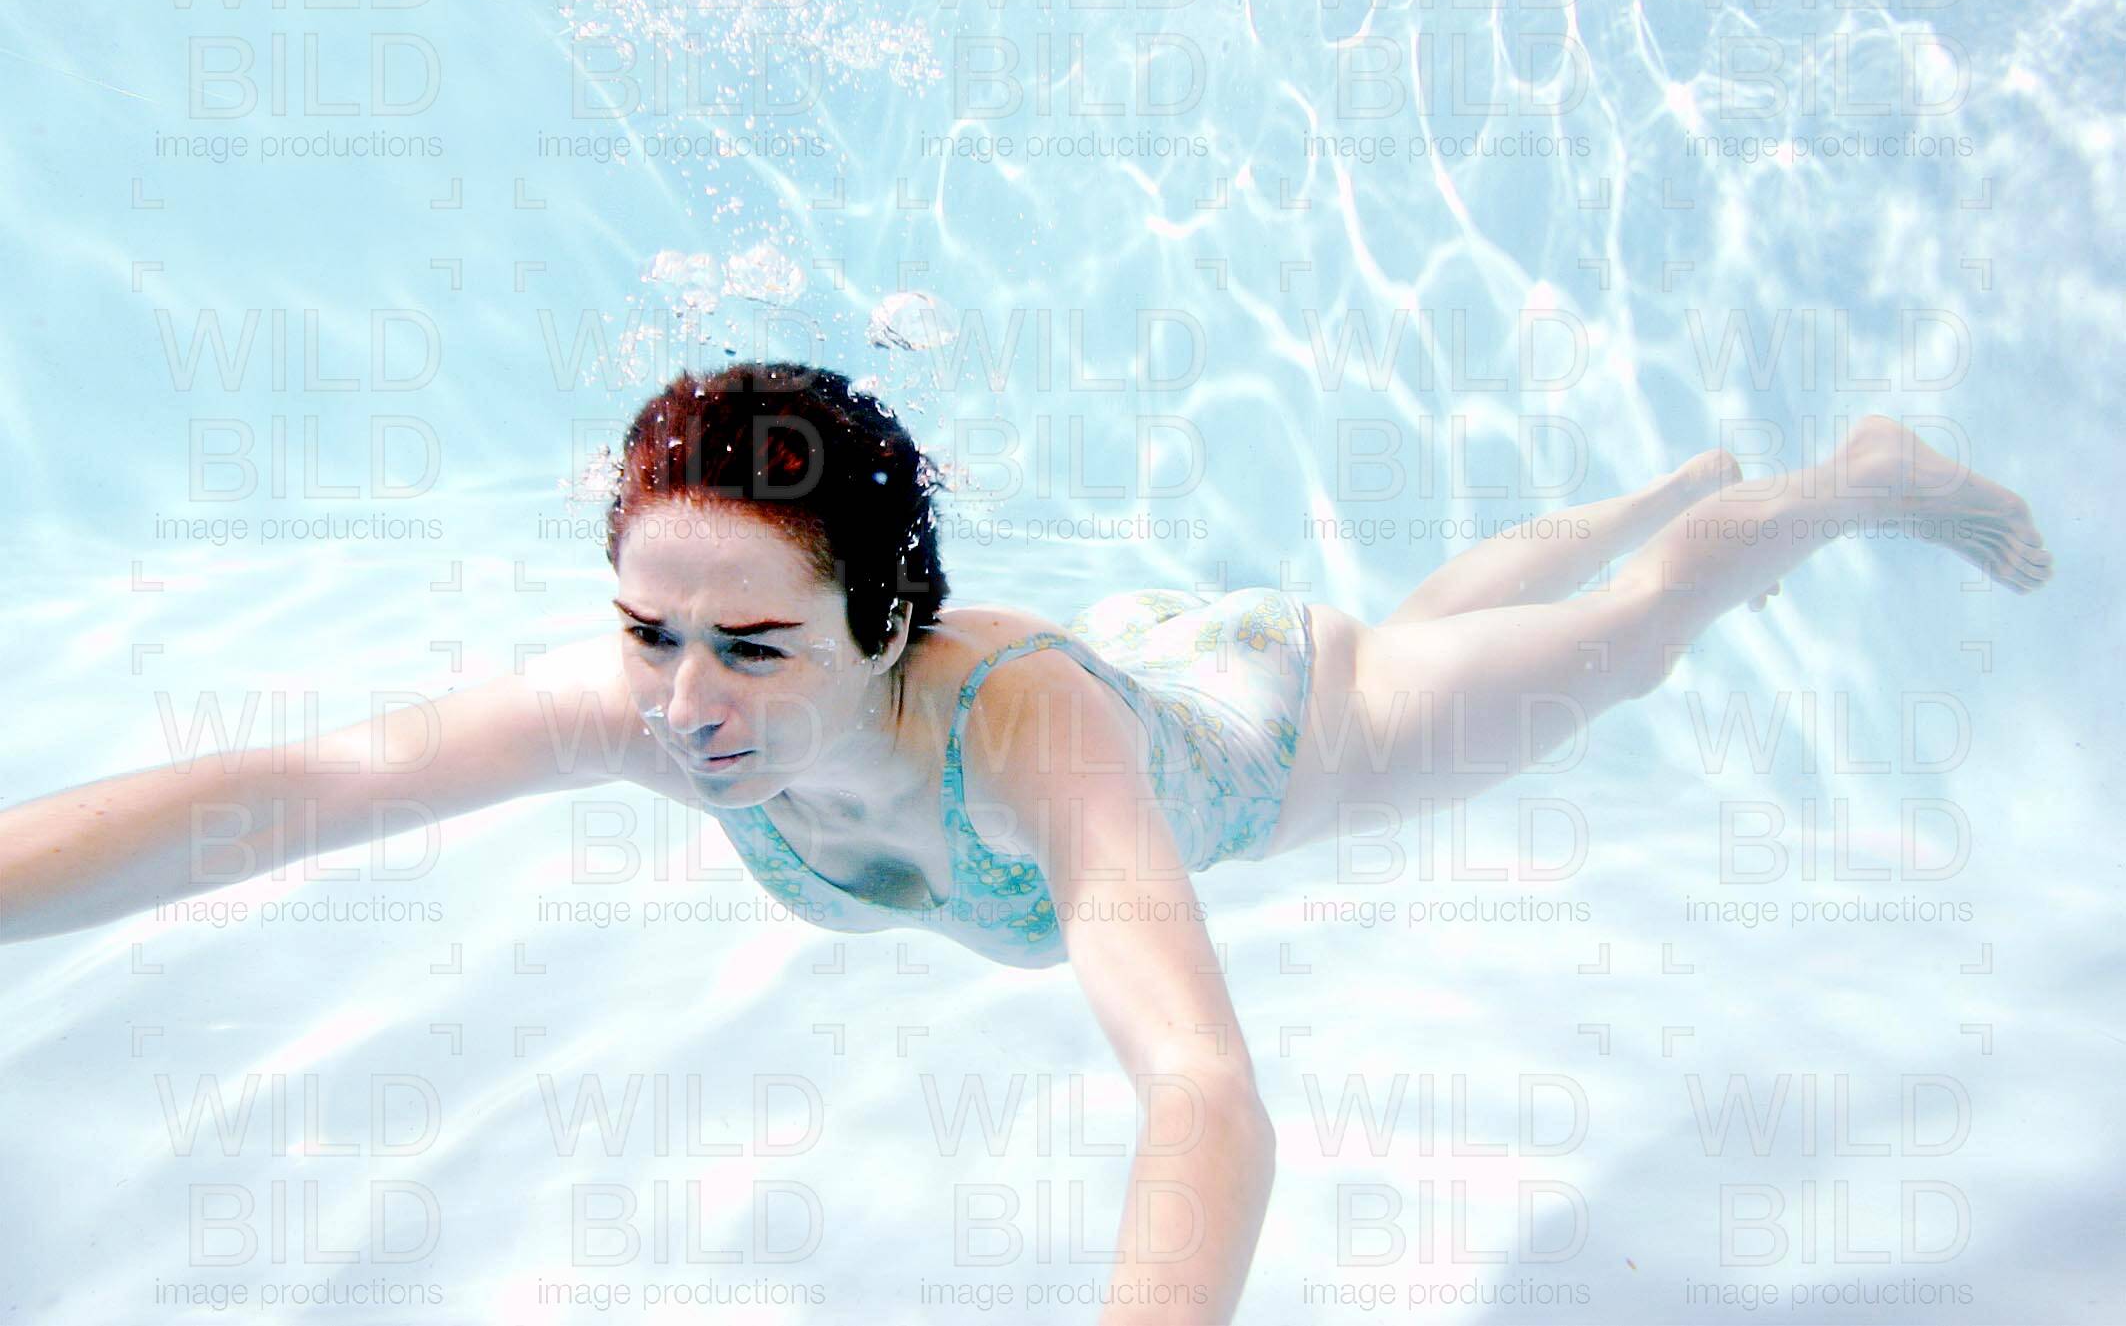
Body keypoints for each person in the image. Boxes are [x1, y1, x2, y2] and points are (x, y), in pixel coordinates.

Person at [0, 361, 2052, 1321]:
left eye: (750, 646)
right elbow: (304, 788)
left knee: (1622, 647)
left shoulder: (1026, 737)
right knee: (1453, 616)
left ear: (887, 622)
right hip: (1165, 651)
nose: (683, 703)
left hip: (1280, 721)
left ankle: (1837, 485)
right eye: (645, 631)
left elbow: (1202, 1088)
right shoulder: (646, 700)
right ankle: (1634, 503)